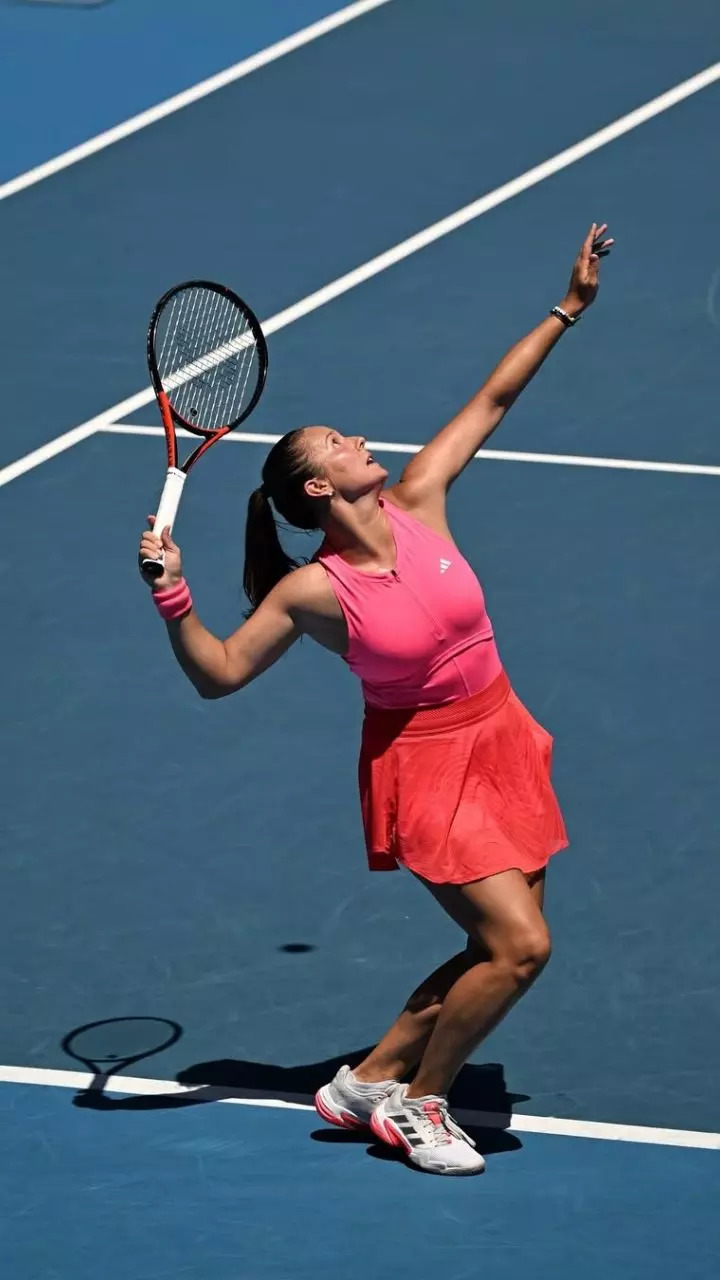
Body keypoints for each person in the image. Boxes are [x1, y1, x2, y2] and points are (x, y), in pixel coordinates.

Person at [139, 223, 613, 1176]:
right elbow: (219, 673)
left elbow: (494, 396)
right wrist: (173, 597)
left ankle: (370, 1078)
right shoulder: (313, 592)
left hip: (503, 731)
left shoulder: (420, 495)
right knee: (521, 949)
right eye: (340, 442)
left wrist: (569, 306)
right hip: (428, 763)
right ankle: (418, 1107)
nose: (361, 440)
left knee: (493, 947)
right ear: (320, 485)